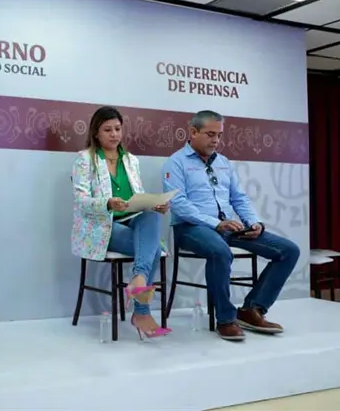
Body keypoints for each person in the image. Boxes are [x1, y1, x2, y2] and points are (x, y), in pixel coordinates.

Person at [162, 110, 300, 341]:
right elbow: (179, 204)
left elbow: (239, 198)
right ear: (193, 132)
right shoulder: (175, 163)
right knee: (220, 251)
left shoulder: (223, 163)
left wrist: (253, 222)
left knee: (289, 250)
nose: (216, 140)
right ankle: (225, 319)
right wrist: (216, 223)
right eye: (210, 134)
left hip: (228, 228)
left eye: (219, 135)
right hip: (191, 228)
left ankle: (252, 309)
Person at [71, 106, 172, 340]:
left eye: (117, 129)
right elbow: (81, 200)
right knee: (153, 248)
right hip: (101, 227)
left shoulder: (131, 160)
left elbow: (137, 195)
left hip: (131, 220)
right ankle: (141, 311)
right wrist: (107, 203)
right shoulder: (85, 159)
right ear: (96, 133)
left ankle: (138, 279)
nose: (114, 134)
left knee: (151, 216)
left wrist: (153, 205)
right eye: (107, 130)